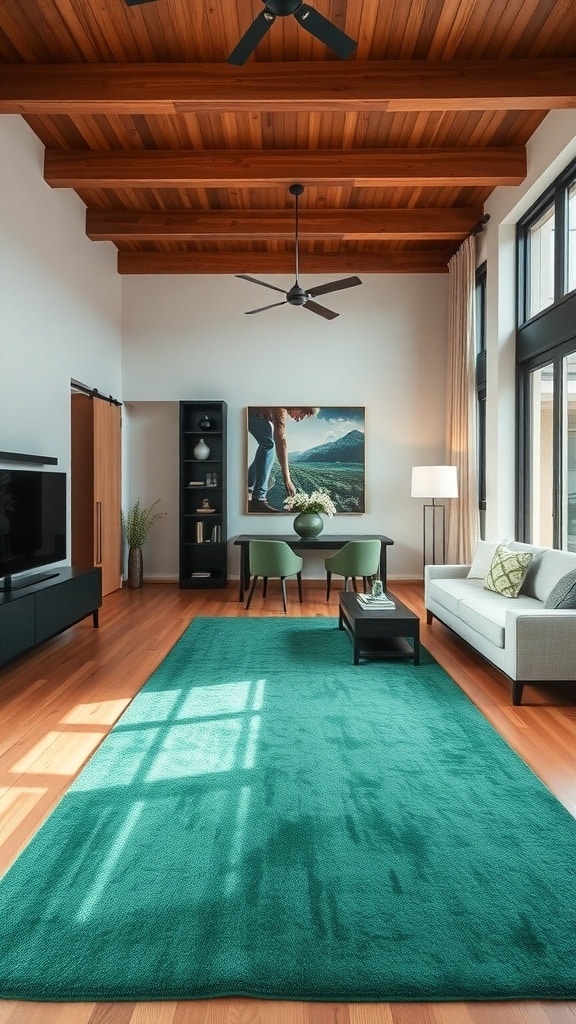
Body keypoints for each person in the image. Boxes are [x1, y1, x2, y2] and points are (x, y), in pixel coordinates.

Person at [248, 407, 319, 512]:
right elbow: (281, 443)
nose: (299, 419)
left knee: (268, 438)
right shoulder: (281, 410)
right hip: (249, 414)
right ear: (298, 407)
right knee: (268, 444)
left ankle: (249, 484)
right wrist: (287, 480)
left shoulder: (280, 411)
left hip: (253, 415)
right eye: (302, 415)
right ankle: (258, 498)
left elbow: (282, 440)